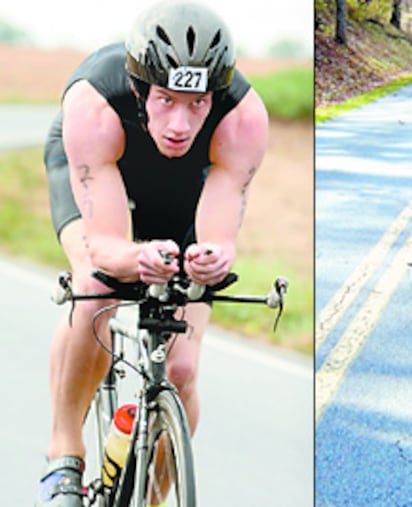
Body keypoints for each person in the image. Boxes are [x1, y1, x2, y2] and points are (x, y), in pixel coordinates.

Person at [38, 1, 268, 505]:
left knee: (182, 370)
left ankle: (153, 495)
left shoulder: (243, 118)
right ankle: (64, 453)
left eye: (197, 103)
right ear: (141, 88)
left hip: (186, 186)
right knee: (96, 287)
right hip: (100, 169)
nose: (181, 123)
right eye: (166, 99)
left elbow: (221, 231)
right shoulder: (94, 104)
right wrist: (130, 259)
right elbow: (103, 245)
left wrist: (215, 255)